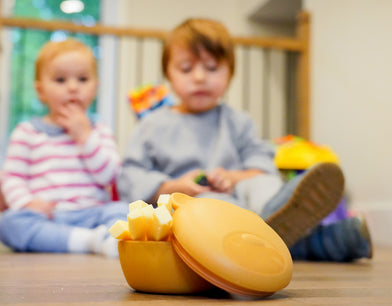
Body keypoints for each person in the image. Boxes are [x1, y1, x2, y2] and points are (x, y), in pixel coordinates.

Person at [118, 18, 372, 261]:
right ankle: (321, 241)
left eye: (212, 68)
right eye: (186, 68)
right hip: (195, 209)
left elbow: (262, 167)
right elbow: (131, 177)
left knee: (263, 183)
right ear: (169, 75)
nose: (199, 77)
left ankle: (276, 219)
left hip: (251, 204)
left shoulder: (238, 122)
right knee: (209, 205)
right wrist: (176, 186)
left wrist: (232, 177)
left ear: (229, 74)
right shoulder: (152, 125)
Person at [0, 39, 127, 257]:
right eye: (60, 80)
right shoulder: (27, 131)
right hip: (49, 216)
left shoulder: (99, 130)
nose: (73, 87)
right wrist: (27, 202)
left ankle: (99, 237)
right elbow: (12, 178)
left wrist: (85, 137)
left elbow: (110, 176)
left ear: (94, 88)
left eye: (83, 79)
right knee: (9, 224)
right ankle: (89, 241)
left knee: (123, 210)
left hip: (93, 213)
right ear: (41, 91)